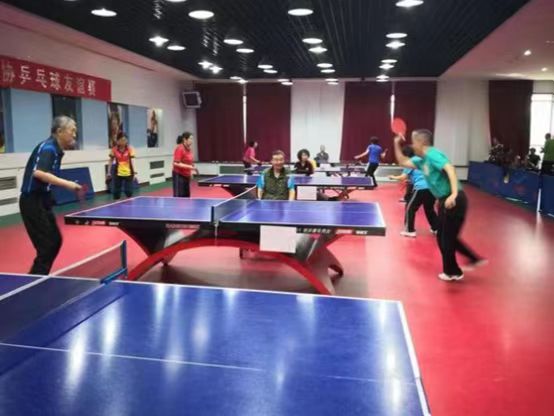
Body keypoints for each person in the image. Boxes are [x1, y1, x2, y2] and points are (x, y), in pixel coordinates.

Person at [393, 129, 485, 282]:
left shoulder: (432, 154)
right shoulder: (421, 160)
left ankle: (454, 271)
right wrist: (396, 143)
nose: (412, 145)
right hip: (443, 201)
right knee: (444, 237)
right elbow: (403, 162)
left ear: (421, 142)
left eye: (413, 142)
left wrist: (453, 194)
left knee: (446, 239)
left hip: (454, 200)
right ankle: (462, 265)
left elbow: (450, 169)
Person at [19, 116, 82, 275]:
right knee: (48, 245)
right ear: (59, 131)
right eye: (72, 130)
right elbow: (39, 173)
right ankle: (34, 281)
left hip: (42, 200)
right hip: (32, 201)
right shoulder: (49, 148)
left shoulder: (56, 149)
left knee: (54, 241)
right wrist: (68, 184)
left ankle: (37, 278)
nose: (75, 134)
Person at [389, 146, 438, 237]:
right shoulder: (422, 159)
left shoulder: (411, 162)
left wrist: (393, 177)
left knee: (410, 207)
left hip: (421, 188)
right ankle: (436, 228)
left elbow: (402, 177)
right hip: (432, 188)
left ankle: (409, 230)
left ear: (406, 155)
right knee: (429, 209)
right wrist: (411, 180)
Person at [108, 132, 135, 200]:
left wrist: (134, 172)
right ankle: (116, 203)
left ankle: (129, 203)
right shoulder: (114, 149)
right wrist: (108, 172)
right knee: (116, 192)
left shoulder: (130, 149)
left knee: (129, 191)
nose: (124, 142)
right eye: (122, 140)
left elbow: (132, 161)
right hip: (117, 173)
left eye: (125, 140)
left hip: (129, 172)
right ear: (118, 140)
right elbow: (110, 161)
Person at [173, 132, 198, 197]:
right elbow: (176, 163)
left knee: (186, 196)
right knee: (179, 196)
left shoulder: (189, 149)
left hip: (186, 176)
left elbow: (190, 162)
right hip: (179, 175)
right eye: (190, 139)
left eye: (192, 139)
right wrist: (190, 167)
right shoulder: (180, 148)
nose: (192, 141)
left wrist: (191, 172)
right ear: (184, 139)